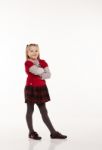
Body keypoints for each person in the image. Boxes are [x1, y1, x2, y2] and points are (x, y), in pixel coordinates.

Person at [24, 43, 67, 140]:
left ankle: (53, 133)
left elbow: (49, 75)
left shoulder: (43, 61)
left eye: (36, 50)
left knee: (44, 111)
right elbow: (37, 71)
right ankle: (31, 132)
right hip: (31, 88)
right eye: (31, 51)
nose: (34, 52)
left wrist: (41, 72)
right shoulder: (27, 63)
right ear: (27, 52)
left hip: (41, 88)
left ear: (38, 51)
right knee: (30, 110)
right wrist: (42, 71)